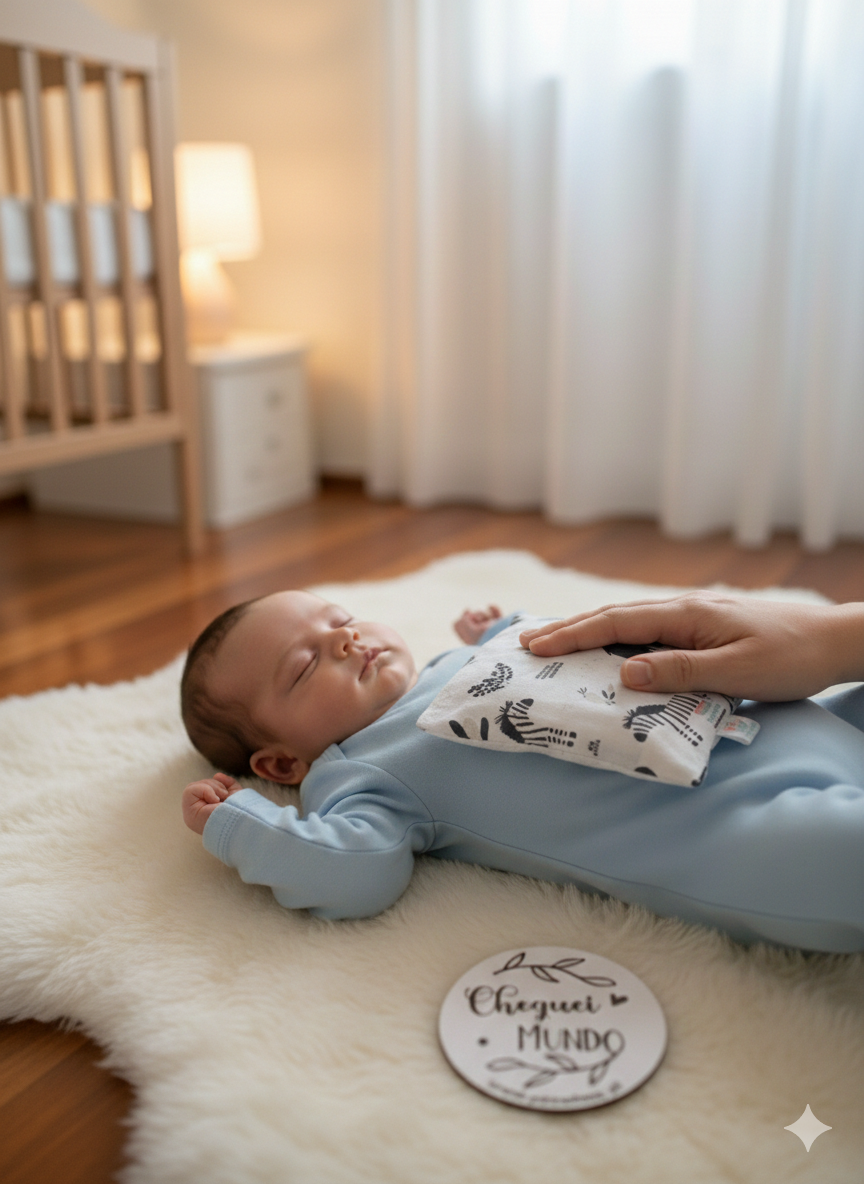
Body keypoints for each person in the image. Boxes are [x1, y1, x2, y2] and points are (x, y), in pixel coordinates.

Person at [180, 590, 864, 951]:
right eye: (304, 665)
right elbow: (353, 872)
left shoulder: (450, 667)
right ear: (280, 762)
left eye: (341, 620)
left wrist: (498, 629)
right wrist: (245, 824)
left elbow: (553, 648)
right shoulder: (357, 770)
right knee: (837, 857)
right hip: (738, 827)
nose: (343, 639)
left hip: (785, 718)